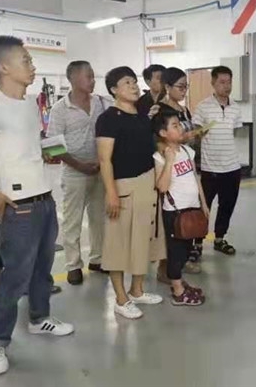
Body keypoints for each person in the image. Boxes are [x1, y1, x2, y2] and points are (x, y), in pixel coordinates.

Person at [0, 35, 73, 376]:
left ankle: (39, 318)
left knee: (43, 268)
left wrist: (46, 152)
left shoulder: (29, 104)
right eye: (26, 60)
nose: (33, 66)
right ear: (4, 67)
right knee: (13, 278)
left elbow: (22, 145)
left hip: (44, 198)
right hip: (17, 206)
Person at [96, 66, 164, 320]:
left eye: (134, 82)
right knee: (118, 244)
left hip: (147, 183)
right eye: (127, 82)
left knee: (143, 240)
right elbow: (104, 160)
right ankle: (120, 299)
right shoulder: (108, 119)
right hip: (123, 186)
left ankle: (137, 290)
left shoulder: (142, 116)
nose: (134, 86)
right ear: (114, 89)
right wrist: (112, 193)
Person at [47, 61, 111, 285]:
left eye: (93, 76)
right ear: (73, 79)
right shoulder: (60, 109)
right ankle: (73, 265)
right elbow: (52, 146)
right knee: (72, 221)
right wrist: (79, 165)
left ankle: (98, 258)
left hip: (100, 170)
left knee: (99, 218)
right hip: (74, 172)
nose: (93, 80)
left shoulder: (101, 103)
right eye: (88, 76)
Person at [153, 67, 205, 277]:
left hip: (186, 161)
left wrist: (195, 135)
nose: (184, 90)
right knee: (171, 227)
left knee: (187, 221)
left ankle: (181, 262)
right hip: (170, 167)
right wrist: (182, 139)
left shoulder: (183, 109)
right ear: (167, 87)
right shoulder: (160, 110)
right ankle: (167, 269)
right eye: (180, 86)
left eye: (186, 86)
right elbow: (159, 141)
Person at [152, 110, 207, 305]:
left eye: (179, 124)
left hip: (192, 208)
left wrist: (203, 203)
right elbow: (162, 187)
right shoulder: (160, 157)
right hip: (175, 213)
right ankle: (177, 291)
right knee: (176, 252)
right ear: (163, 133)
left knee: (186, 250)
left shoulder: (187, 151)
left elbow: (195, 178)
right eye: (174, 125)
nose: (180, 128)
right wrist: (169, 161)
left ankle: (179, 283)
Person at [192, 66, 243, 258]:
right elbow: (196, 134)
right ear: (213, 83)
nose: (226, 86)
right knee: (203, 206)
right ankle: (197, 242)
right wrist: (201, 133)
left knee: (227, 205)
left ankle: (220, 238)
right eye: (222, 82)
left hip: (232, 167)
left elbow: (233, 132)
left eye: (229, 82)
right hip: (210, 168)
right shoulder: (203, 106)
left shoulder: (235, 107)